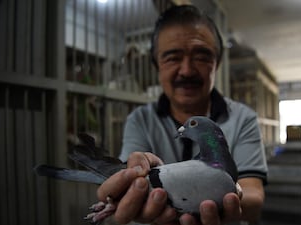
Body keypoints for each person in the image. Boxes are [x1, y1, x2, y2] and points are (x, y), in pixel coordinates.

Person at [97, 5, 268, 225]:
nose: (187, 70)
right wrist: (129, 184)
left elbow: (253, 198)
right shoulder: (139, 120)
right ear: (157, 65)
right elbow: (130, 185)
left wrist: (219, 192)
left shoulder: (244, 118)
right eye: (172, 57)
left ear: (217, 63)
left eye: (202, 56)